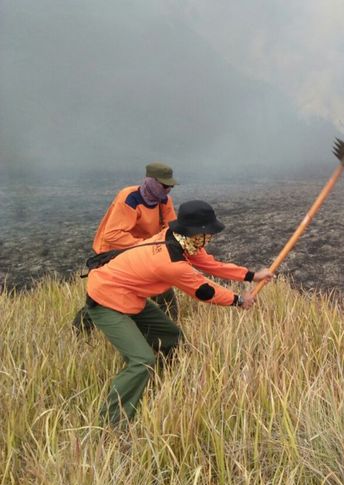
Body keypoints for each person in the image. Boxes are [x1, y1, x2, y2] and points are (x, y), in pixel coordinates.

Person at [85, 200, 273, 425]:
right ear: (196, 233)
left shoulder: (177, 237)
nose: (211, 237)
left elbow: (211, 265)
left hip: (129, 295)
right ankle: (111, 423)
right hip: (106, 299)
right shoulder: (170, 262)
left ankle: (156, 380)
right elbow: (204, 290)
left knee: (171, 337)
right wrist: (239, 300)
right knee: (141, 360)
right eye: (209, 233)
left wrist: (252, 276)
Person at [73, 162, 180, 332]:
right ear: (150, 181)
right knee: (108, 295)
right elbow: (112, 235)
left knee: (162, 282)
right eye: (164, 185)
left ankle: (171, 325)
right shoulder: (129, 198)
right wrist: (147, 245)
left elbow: (171, 229)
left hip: (141, 250)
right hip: (111, 251)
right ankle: (80, 329)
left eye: (170, 186)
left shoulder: (165, 201)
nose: (168, 189)